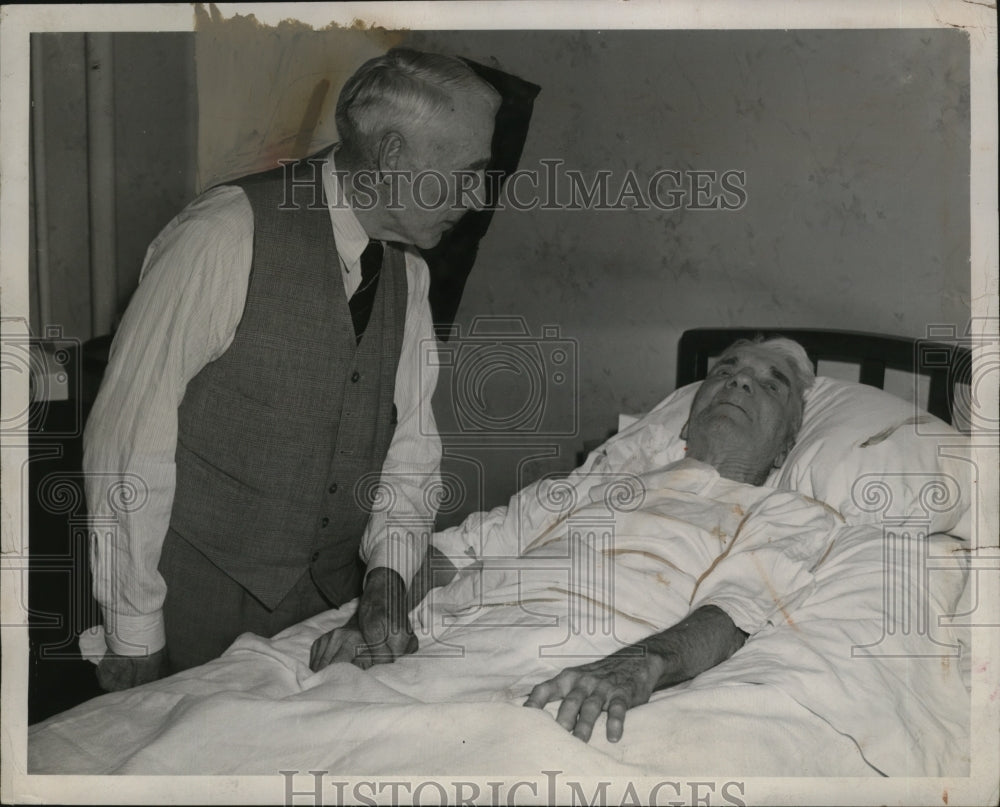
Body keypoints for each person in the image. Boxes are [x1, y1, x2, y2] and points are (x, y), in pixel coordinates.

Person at [83, 48, 501, 689]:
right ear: (392, 157)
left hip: (320, 626)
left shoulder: (407, 277)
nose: (476, 197)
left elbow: (410, 456)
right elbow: (125, 444)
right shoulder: (224, 235)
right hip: (188, 622)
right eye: (467, 173)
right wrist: (134, 636)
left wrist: (386, 586)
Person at [310, 336, 836, 747]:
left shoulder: (788, 513)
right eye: (726, 371)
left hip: (572, 667)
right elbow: (454, 553)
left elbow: (731, 614)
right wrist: (374, 615)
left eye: (770, 384)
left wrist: (640, 664)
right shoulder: (593, 484)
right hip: (440, 647)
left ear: (789, 441)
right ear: (692, 408)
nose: (739, 383)